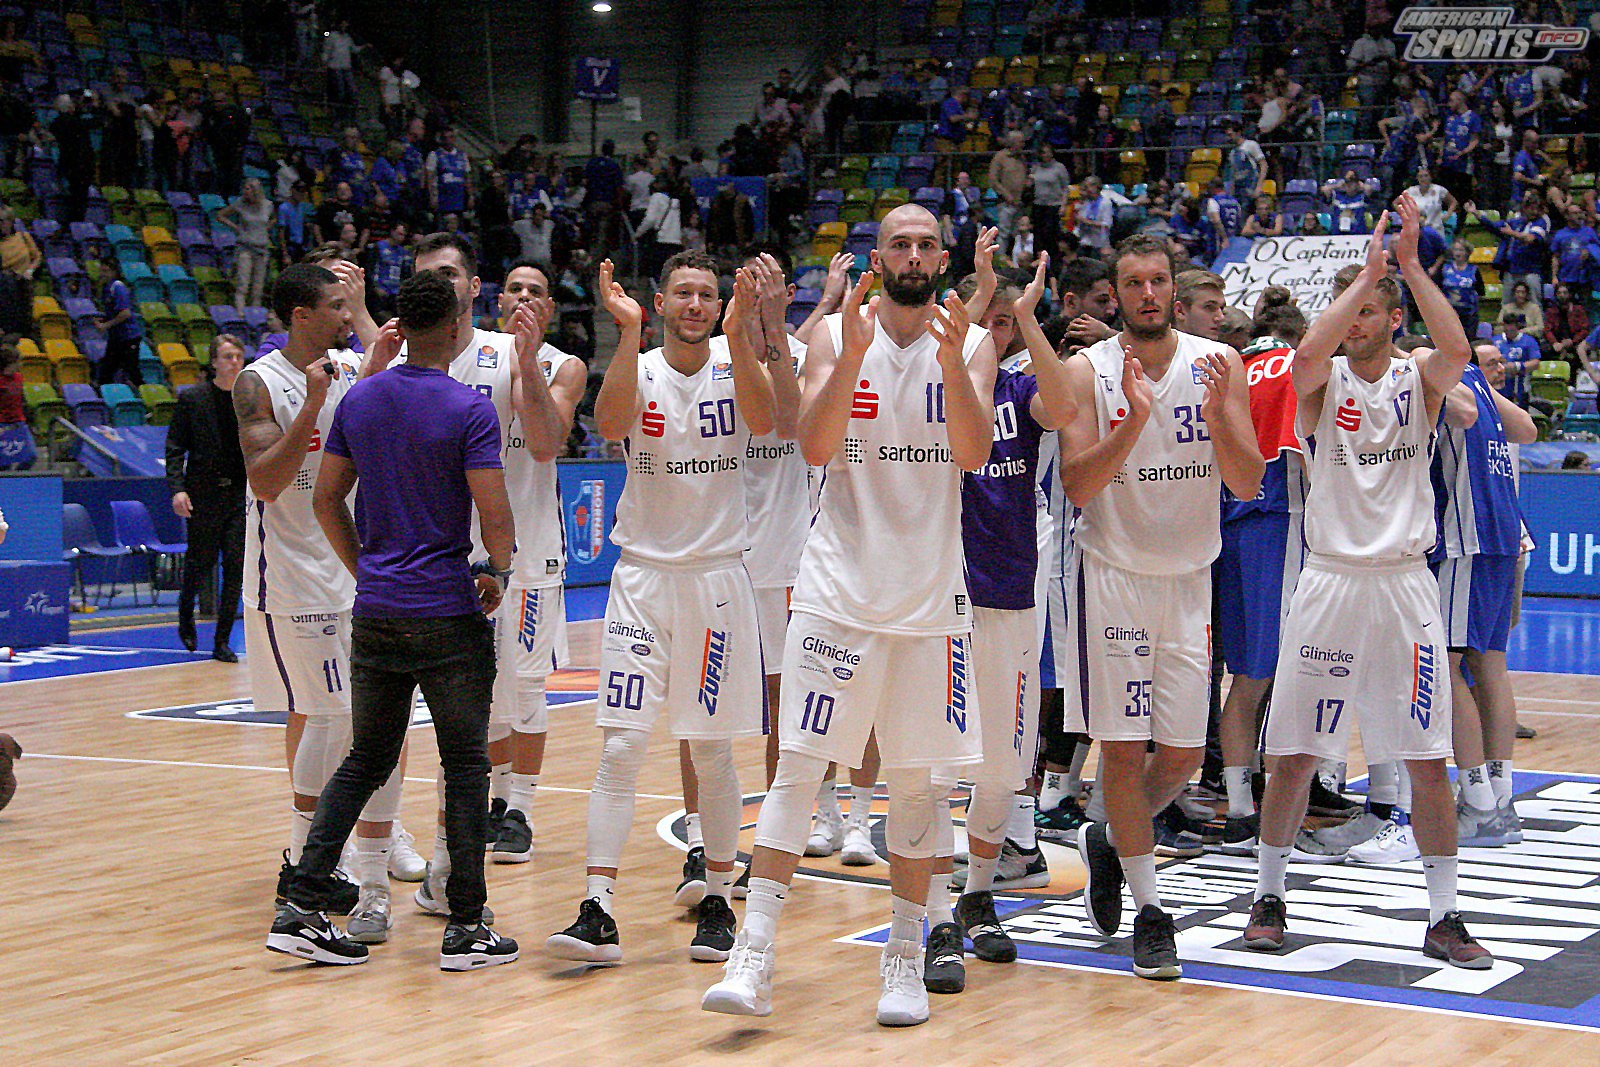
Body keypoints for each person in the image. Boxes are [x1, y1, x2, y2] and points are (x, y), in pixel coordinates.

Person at [702, 205, 997, 1027]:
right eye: (897, 243)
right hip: (836, 589)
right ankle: (752, 951)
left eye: (925, 243)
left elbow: (972, 455)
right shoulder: (837, 334)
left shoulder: (971, 341)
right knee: (799, 766)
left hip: (931, 598)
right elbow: (815, 445)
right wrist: (855, 355)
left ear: (942, 257)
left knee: (915, 785)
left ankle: (905, 953)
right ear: (878, 256)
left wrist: (949, 365)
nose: (912, 254)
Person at [1244, 197, 1494, 969]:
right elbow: (1311, 353)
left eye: (1367, 312)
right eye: (1346, 311)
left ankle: (1445, 915)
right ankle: (1270, 894)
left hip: (1404, 584)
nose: (1351, 322)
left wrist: (1410, 268)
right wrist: (1363, 278)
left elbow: (1457, 350)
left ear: (1392, 319)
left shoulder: (1421, 380)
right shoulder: (1320, 385)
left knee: (1425, 758)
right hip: (1331, 581)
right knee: (1293, 753)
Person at [269, 268, 517, 971]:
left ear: (399, 328)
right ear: (452, 328)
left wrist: (365, 571)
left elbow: (325, 500)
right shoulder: (469, 409)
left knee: (364, 758)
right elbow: (495, 517)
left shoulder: (361, 399)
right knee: (466, 764)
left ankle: (302, 903)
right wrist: (496, 571)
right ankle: (466, 925)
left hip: (376, 609)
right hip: (446, 611)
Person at [546, 251, 775, 965]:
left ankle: (716, 897)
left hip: (714, 581)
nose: (697, 304)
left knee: (710, 748)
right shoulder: (639, 367)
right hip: (641, 577)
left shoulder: (737, 366)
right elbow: (611, 421)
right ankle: (598, 907)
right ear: (661, 301)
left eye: (708, 294)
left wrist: (743, 331)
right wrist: (624, 334)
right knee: (620, 743)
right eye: (685, 293)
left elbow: (769, 423)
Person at [1061, 233, 1262, 981]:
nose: (1146, 293)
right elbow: (1079, 484)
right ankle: (1152, 910)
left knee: (1179, 757)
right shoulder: (1089, 371)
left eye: (1157, 282)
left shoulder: (1220, 364)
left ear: (1174, 293)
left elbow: (1246, 482)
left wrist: (1218, 417)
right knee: (1120, 747)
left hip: (1188, 581)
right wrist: (1133, 422)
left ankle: (1112, 835)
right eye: (1132, 282)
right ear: (1116, 294)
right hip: (1112, 573)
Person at [236, 263, 406, 944]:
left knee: (343, 720)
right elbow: (266, 480)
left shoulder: (348, 365)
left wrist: (377, 369)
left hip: (347, 567)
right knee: (336, 716)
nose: (346, 314)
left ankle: (311, 858)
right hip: (291, 580)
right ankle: (301, 860)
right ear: (300, 314)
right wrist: (309, 405)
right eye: (336, 306)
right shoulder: (260, 380)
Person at [923, 257, 1074, 995]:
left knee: (1001, 768)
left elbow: (1067, 407)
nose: (990, 330)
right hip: (933, 592)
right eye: (981, 315)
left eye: (1003, 320)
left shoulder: (1021, 385)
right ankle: (930, 916)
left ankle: (977, 892)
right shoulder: (929, 383)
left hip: (1012, 589)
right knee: (929, 764)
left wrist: (1033, 320)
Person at [1211, 287, 1308, 854]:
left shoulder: (1234, 370)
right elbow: (1309, 454)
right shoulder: (1298, 368)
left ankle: (1240, 806)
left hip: (1228, 525)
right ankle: (1280, 805)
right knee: (1293, 677)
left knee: (1243, 678)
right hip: (1280, 523)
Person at [1435, 343, 1538, 852]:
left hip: (1466, 540)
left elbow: (1466, 412)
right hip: (1507, 536)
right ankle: (1501, 797)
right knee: (1491, 666)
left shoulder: (1442, 378)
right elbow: (1527, 430)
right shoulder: (1477, 378)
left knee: (1447, 665)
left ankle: (1476, 799)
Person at [166, 334, 249, 662]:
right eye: (227, 356)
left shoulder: (249, 399)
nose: (234, 362)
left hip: (239, 495)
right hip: (203, 493)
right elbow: (174, 447)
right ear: (214, 361)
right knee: (199, 564)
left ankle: (222, 641)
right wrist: (177, 489)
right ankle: (186, 613)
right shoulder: (193, 399)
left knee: (235, 566)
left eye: (239, 356)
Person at [217, 178, 275, 312]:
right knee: (243, 283)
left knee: (258, 287)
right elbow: (220, 215)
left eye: (248, 188)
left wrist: (265, 229)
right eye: (245, 188)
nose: (245, 191)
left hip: (261, 248)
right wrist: (236, 227)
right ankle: (240, 312)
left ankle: (255, 313)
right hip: (245, 247)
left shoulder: (267, 205)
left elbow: (273, 219)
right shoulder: (240, 203)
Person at [94, 257, 144, 387]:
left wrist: (105, 325)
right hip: (116, 337)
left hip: (128, 337)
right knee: (106, 372)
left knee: (132, 372)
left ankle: (146, 396)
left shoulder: (117, 287)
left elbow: (125, 313)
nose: (102, 274)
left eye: (105, 271)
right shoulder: (106, 288)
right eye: (101, 271)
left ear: (113, 272)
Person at [1494, 312, 1544, 409]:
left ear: (1518, 326)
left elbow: (1535, 363)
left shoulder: (1529, 341)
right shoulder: (1495, 341)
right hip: (1498, 387)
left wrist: (1517, 366)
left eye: (1512, 326)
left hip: (1520, 385)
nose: (1509, 329)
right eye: (1506, 325)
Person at [1441, 239, 1484, 340]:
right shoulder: (1445, 268)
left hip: (1469, 314)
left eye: (1461, 250)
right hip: (1449, 313)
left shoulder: (1474, 270)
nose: (1457, 253)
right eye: (1455, 249)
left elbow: (1481, 291)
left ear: (1467, 252)